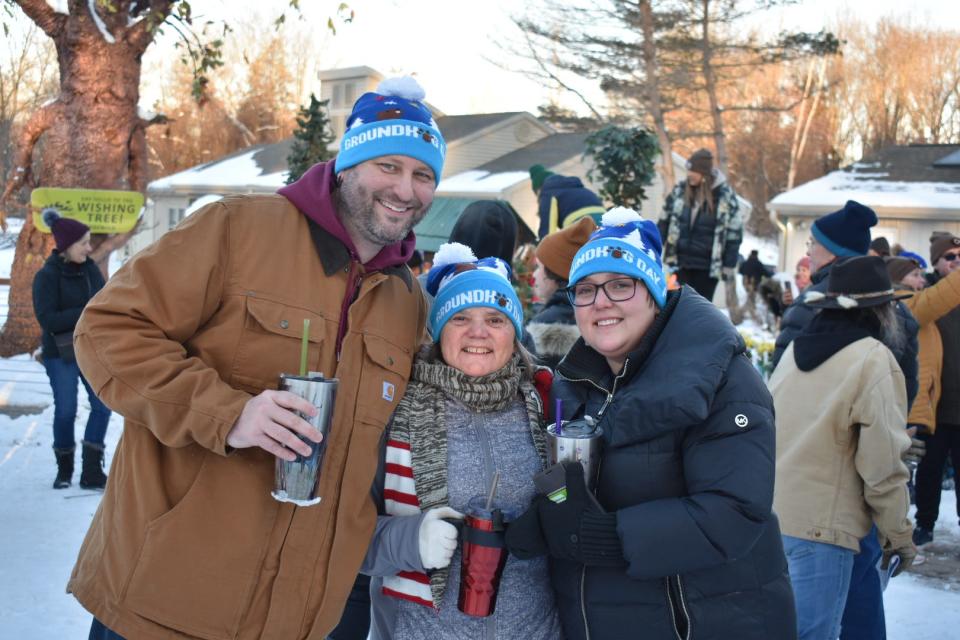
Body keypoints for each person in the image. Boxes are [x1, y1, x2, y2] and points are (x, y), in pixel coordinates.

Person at [70, 76, 446, 640]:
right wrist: (230, 414)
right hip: (166, 600)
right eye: (388, 166)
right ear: (347, 164)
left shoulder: (407, 302)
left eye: (423, 174)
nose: (405, 189)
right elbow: (108, 330)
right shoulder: (236, 229)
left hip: (300, 620)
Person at [506, 207, 796, 640]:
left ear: (653, 293)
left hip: (701, 622)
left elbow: (734, 511)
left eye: (620, 285)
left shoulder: (720, 377)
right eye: (584, 290)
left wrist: (605, 537)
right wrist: (545, 517)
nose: (600, 302)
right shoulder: (577, 383)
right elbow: (577, 487)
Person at [361, 242, 561, 639]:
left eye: (495, 319)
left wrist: (559, 515)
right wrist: (409, 540)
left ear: (515, 332)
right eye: (460, 318)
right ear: (438, 331)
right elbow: (337, 533)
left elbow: (573, 500)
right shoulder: (394, 408)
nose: (478, 332)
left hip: (536, 629)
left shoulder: (547, 401)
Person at [769, 256, 916, 640]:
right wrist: (898, 535)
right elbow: (883, 466)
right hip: (823, 532)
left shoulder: (793, 353)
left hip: (773, 522)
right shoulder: (873, 360)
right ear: (882, 311)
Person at [32, 210, 111, 490]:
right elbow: (48, 320)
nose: (89, 248)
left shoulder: (90, 270)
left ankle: (91, 471)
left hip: (90, 349)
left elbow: (104, 305)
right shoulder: (46, 276)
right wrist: (86, 311)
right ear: (67, 245)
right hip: (60, 354)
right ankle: (64, 470)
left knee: (103, 406)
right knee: (66, 410)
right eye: (84, 243)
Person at [913, 232, 960, 546]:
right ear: (936, 262)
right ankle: (925, 523)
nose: (957, 261)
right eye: (950, 257)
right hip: (935, 405)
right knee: (929, 469)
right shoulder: (927, 297)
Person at [658, 148, 743, 302]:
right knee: (677, 306)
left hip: (707, 268)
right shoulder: (680, 191)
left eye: (693, 171)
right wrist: (655, 248)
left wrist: (728, 265)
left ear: (704, 173)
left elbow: (734, 233)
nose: (689, 174)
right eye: (688, 171)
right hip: (680, 263)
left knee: (700, 310)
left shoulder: (724, 196)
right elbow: (664, 220)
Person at [527, 217, 596, 369]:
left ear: (555, 272)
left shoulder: (542, 326)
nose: (534, 275)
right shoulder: (600, 313)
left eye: (539, 267)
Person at [532, 166, 605, 240]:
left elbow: (548, 230)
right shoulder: (577, 186)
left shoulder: (547, 193)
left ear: (539, 189)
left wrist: (542, 248)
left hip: (582, 225)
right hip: (605, 220)